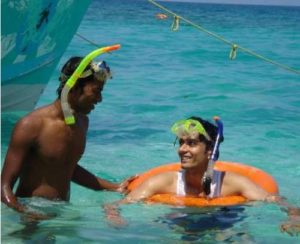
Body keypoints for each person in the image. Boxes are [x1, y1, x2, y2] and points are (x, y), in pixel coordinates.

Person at [104, 116, 300, 236]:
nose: (182, 149)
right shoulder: (164, 181)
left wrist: (294, 217)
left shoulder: (232, 182)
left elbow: (275, 200)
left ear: (209, 151)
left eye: (191, 143)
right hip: (180, 220)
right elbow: (116, 204)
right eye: (181, 143)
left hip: (226, 218)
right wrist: (114, 217)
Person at [1, 57, 135, 217]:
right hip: (31, 214)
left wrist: (115, 187)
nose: (100, 99)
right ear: (74, 87)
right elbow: (4, 188)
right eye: (96, 90)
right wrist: (25, 213)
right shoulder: (31, 125)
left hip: (63, 211)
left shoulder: (82, 122)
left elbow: (66, 166)